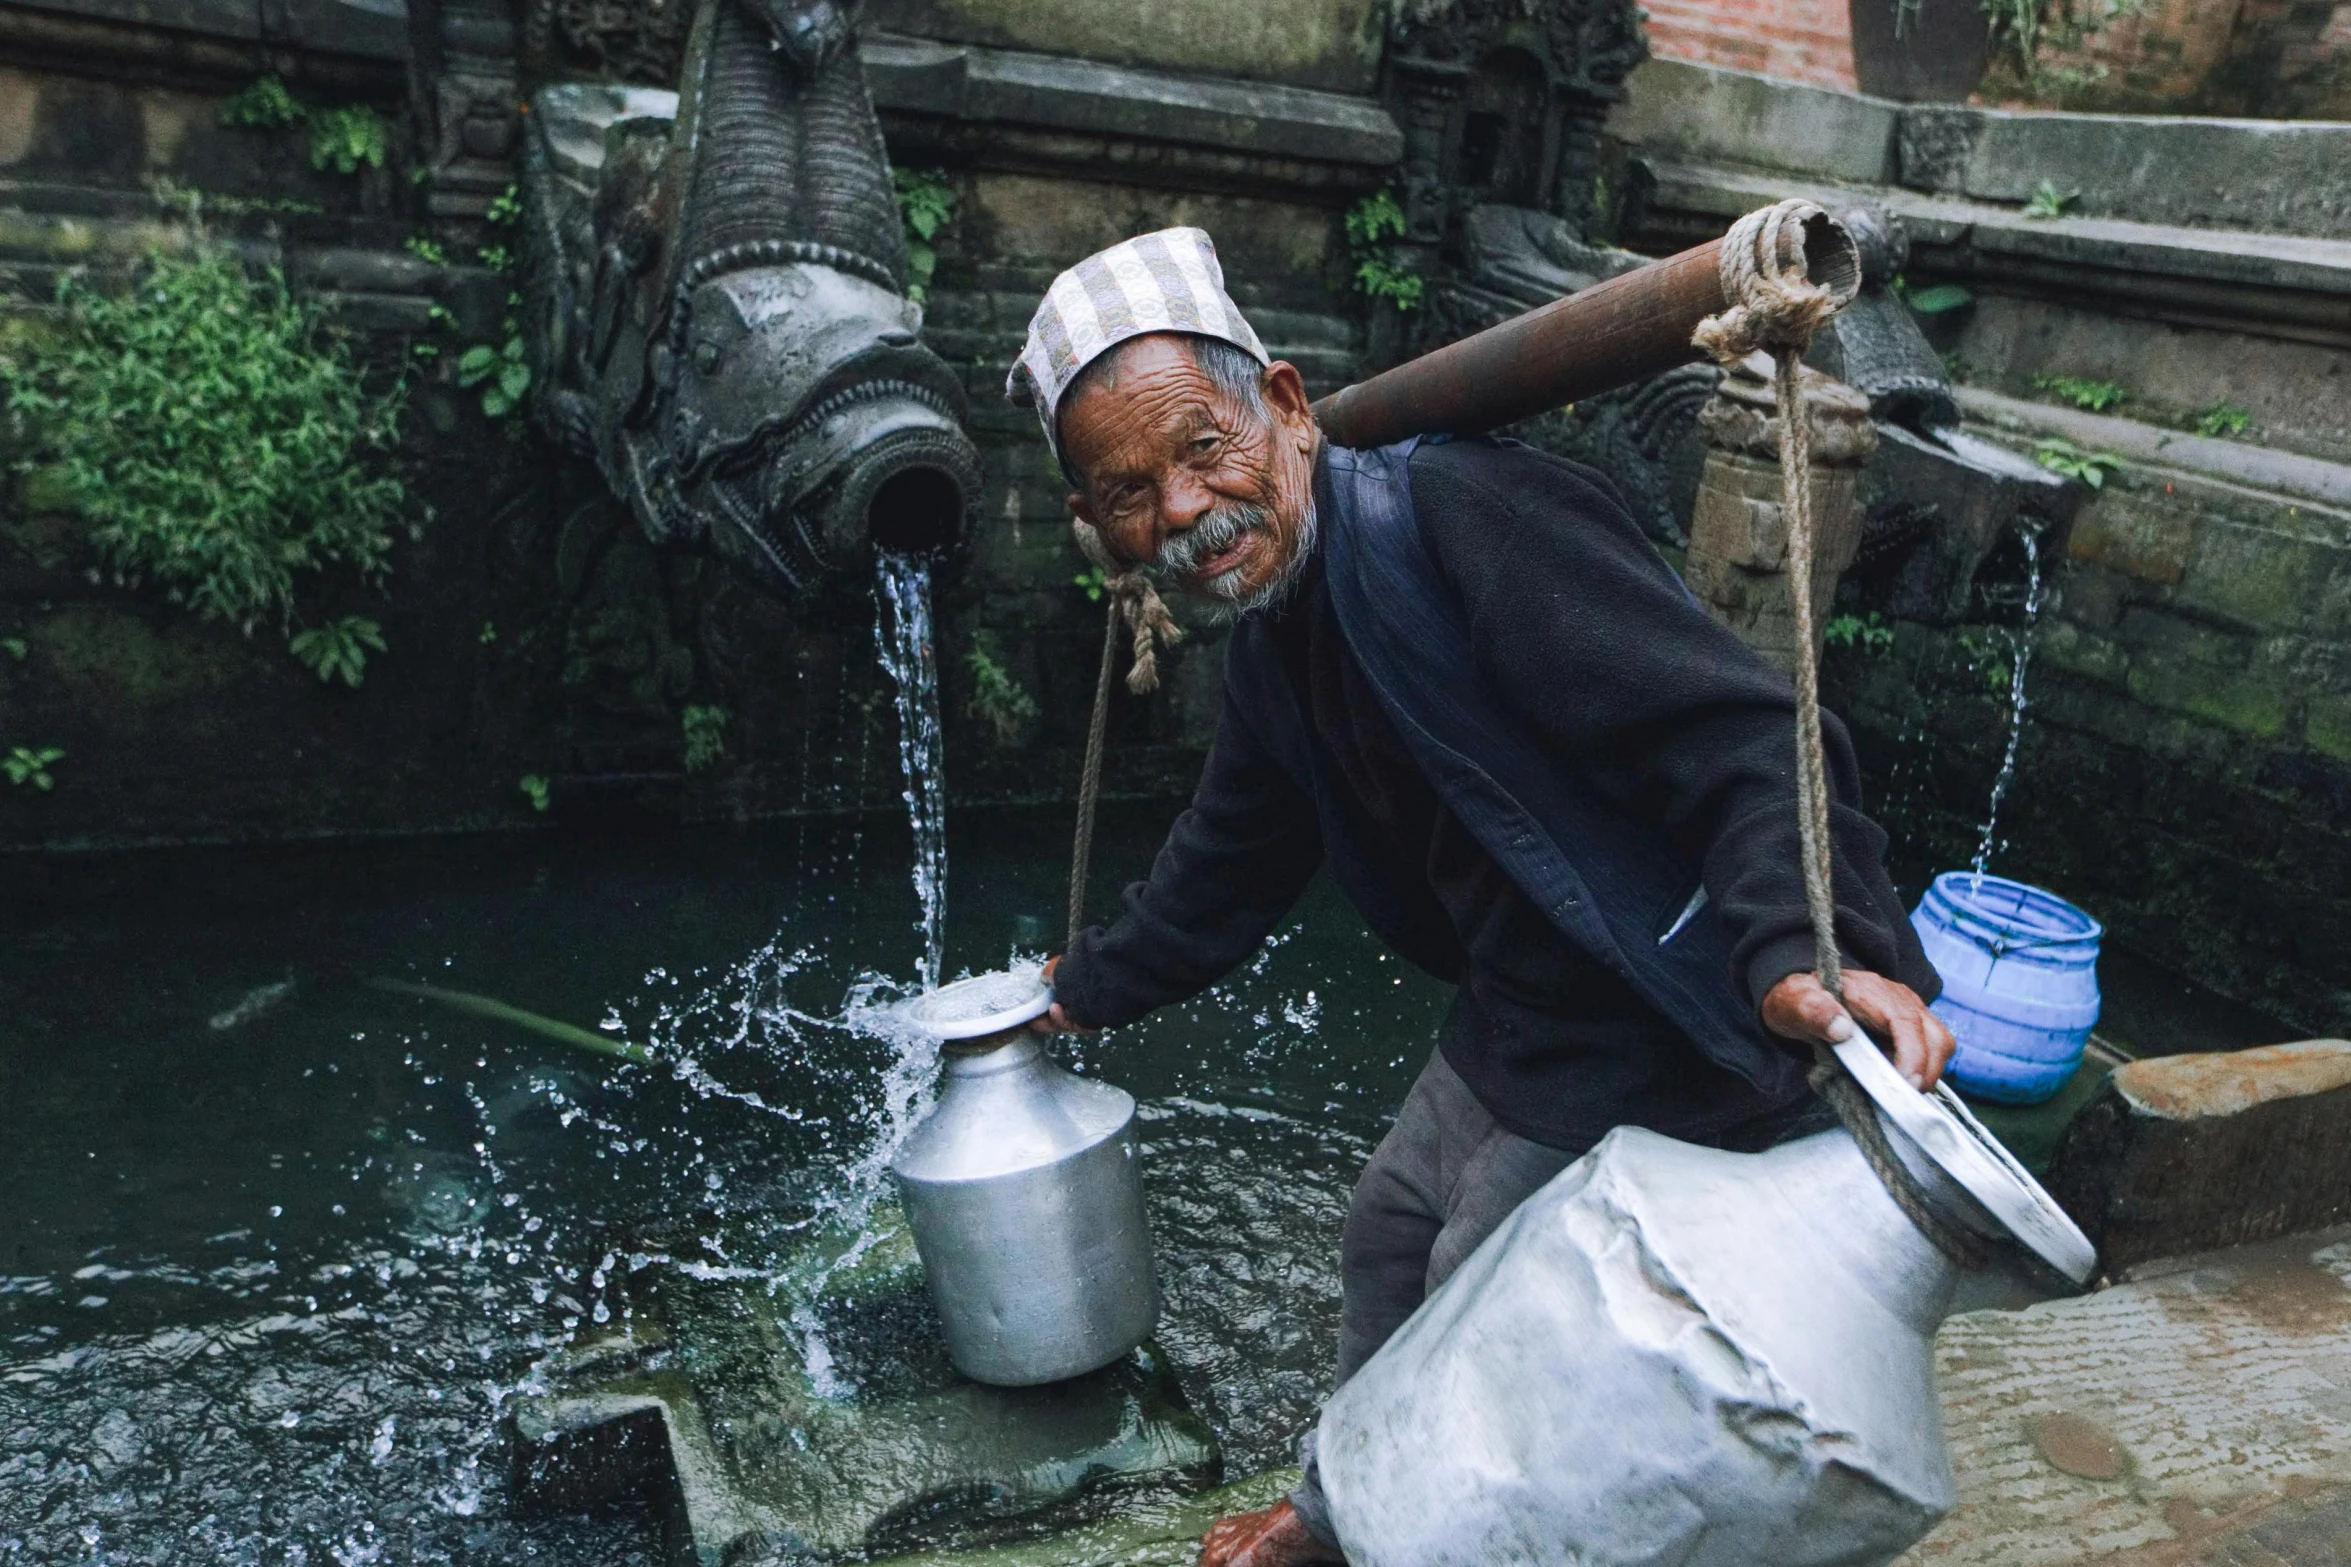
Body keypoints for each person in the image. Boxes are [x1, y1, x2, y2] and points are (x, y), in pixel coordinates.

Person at [1006, 227, 1952, 1567]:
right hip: (1523, 1007)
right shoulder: (1280, 628)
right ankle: (1347, 1509)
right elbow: (1229, 857)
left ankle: (1421, 1534)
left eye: (1200, 447)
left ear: (1282, 405)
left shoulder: (1467, 517)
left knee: (1486, 1318)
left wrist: (1819, 947)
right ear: (1092, 520)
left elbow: (1739, 739)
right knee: (1389, 1237)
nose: (1178, 511)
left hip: (1665, 1003)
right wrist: (1080, 988)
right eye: (1127, 488)